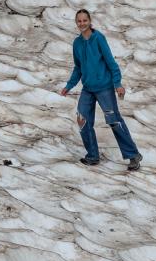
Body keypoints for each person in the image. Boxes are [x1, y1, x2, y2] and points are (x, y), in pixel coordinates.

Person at [59, 9, 142, 170]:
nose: (82, 23)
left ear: (90, 21)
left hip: (104, 88)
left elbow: (111, 63)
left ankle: (133, 156)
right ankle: (93, 156)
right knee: (82, 120)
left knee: (114, 121)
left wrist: (117, 83)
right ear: (76, 23)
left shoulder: (99, 39)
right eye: (79, 21)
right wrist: (68, 86)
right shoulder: (77, 43)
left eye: (84, 20)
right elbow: (78, 68)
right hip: (88, 89)